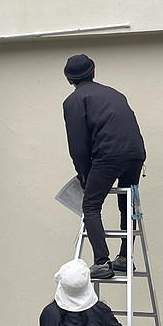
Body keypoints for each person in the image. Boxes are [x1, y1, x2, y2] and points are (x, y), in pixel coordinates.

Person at [62, 54, 147, 279]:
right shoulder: (115, 93)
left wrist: (84, 176)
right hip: (136, 153)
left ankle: (101, 262)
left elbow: (78, 146)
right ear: (93, 72)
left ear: (69, 80)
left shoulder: (73, 101)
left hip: (109, 155)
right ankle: (124, 258)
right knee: (126, 204)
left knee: (90, 205)